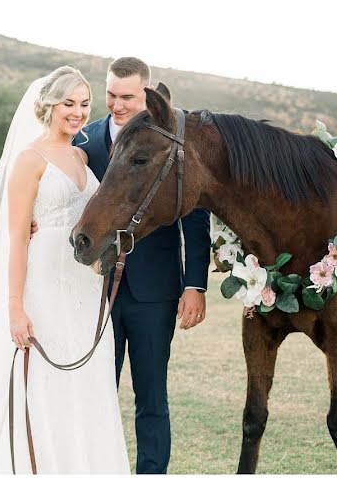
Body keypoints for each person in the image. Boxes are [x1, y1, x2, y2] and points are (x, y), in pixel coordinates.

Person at [0, 66, 130, 474]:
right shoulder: (29, 160)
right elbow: (15, 237)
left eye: (85, 104)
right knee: (44, 381)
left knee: (84, 380)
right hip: (43, 284)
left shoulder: (83, 157)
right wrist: (15, 306)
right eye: (69, 103)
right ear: (48, 104)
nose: (78, 112)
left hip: (85, 287)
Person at [72, 57, 211, 474]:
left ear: (146, 95)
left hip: (155, 292)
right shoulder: (87, 140)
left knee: (152, 397)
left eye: (127, 97)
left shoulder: (167, 140)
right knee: (98, 391)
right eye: (111, 95)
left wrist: (195, 285)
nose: (116, 104)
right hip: (94, 291)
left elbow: (195, 215)